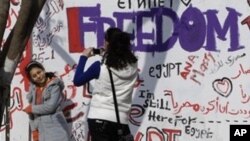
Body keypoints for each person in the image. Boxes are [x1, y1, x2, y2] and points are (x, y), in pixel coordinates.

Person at [73, 27, 138, 141]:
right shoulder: (133, 66)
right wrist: (107, 54)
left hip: (98, 119)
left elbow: (77, 81)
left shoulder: (100, 67)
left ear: (108, 44)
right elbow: (119, 62)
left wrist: (84, 57)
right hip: (121, 121)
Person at [23, 61, 70, 141]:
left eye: (39, 72)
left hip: (57, 131)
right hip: (43, 133)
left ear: (43, 70)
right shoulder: (33, 91)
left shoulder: (54, 86)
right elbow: (31, 114)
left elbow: (50, 107)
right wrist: (34, 131)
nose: (38, 76)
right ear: (32, 79)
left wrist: (31, 108)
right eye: (34, 76)